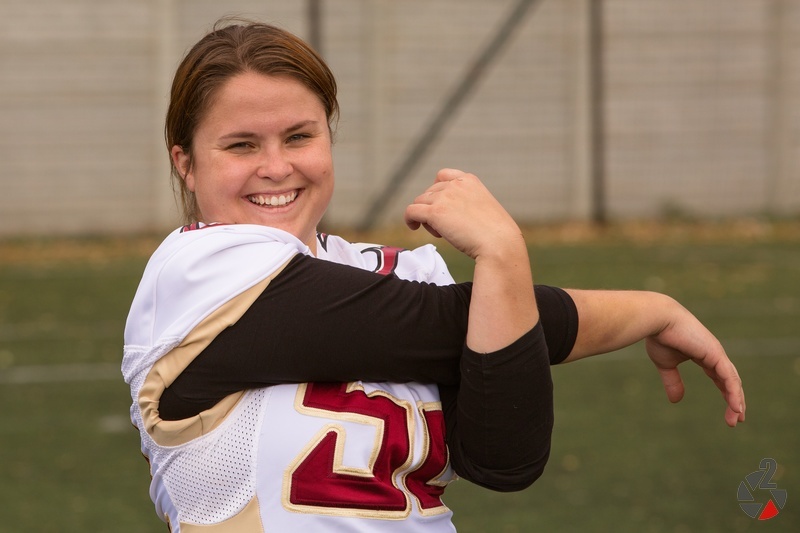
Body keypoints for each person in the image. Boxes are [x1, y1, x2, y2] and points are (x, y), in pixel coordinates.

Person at [122, 19, 745, 533]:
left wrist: (502, 267)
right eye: (241, 146)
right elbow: (445, 326)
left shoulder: (405, 270)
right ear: (187, 164)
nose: (277, 166)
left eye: (299, 136)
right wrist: (641, 307)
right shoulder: (191, 274)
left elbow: (507, 457)